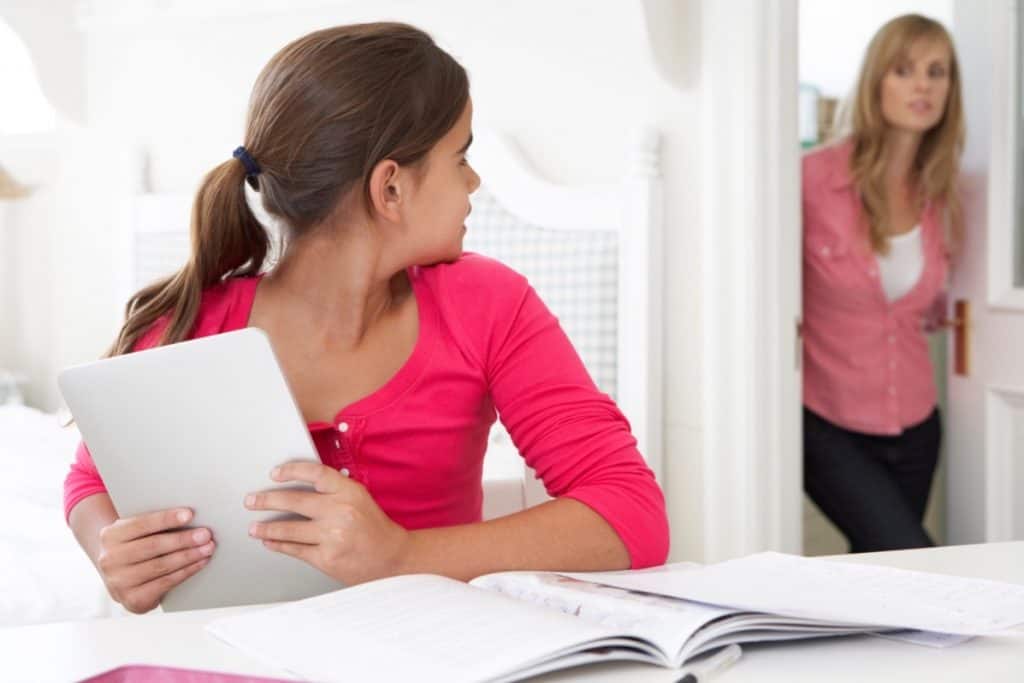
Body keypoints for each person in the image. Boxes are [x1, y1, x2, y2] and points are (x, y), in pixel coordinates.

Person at [63, 23, 669, 614]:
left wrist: (401, 556)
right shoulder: (186, 326)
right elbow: (90, 483)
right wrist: (110, 552)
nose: (474, 181)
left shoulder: (488, 304)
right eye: (460, 157)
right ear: (391, 189)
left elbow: (629, 512)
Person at [802, 14, 964, 553]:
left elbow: (939, 304)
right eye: (904, 70)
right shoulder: (811, 180)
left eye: (937, 71)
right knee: (912, 557)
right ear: (876, 82)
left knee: (881, 570)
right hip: (827, 425)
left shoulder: (945, 194)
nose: (923, 85)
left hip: (918, 425)